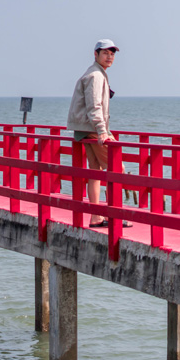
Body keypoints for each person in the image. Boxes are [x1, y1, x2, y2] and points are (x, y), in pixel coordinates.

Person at [66, 39, 123, 227]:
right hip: (91, 128)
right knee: (117, 170)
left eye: (112, 53)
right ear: (96, 54)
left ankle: (96, 215)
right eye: (105, 53)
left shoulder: (97, 73)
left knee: (95, 170)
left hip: (84, 128)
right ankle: (113, 215)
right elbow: (94, 106)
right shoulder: (95, 76)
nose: (109, 56)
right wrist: (101, 131)